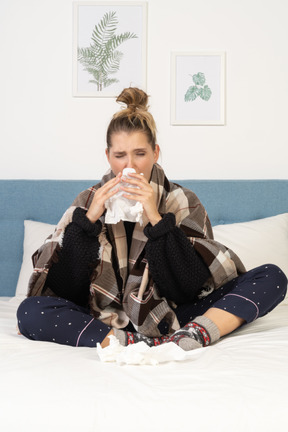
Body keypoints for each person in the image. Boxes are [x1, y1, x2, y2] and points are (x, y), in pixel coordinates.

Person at [17, 87, 287, 351]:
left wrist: (157, 221)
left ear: (156, 153)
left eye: (140, 154)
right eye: (120, 155)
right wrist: (88, 223)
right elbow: (68, 291)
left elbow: (188, 289)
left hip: (174, 314)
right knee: (29, 311)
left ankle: (196, 333)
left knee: (272, 277)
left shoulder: (182, 200)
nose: (129, 166)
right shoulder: (87, 202)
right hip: (101, 317)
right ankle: (125, 342)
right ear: (108, 156)